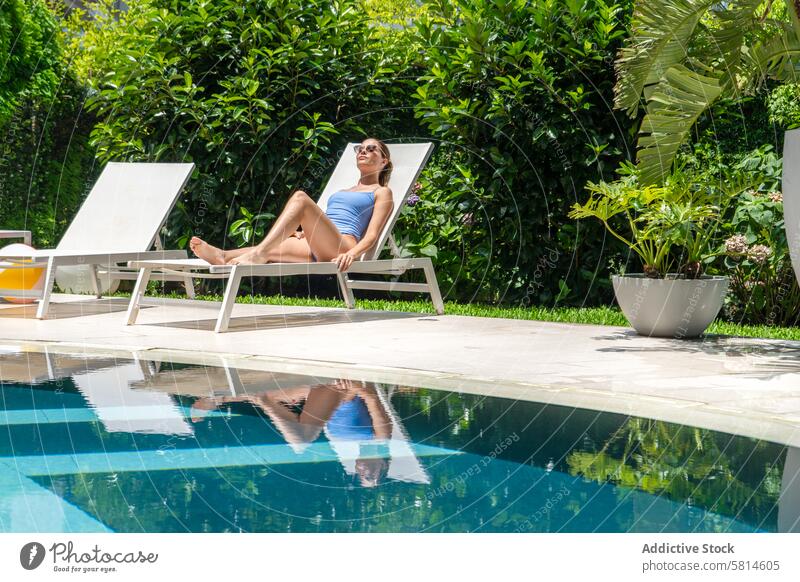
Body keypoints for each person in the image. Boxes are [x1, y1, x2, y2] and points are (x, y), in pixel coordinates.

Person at [190, 137, 394, 272]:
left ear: (383, 161)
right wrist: (306, 231)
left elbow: (372, 235)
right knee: (268, 249)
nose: (363, 151)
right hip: (317, 244)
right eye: (360, 148)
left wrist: (351, 254)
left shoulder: (382, 192)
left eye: (371, 149)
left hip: (342, 246)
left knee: (300, 198)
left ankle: (257, 255)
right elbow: (326, 221)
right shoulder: (342, 191)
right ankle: (222, 256)